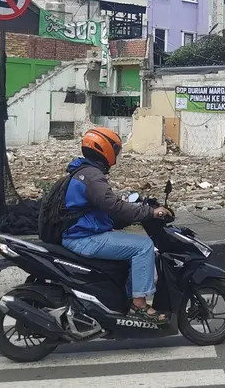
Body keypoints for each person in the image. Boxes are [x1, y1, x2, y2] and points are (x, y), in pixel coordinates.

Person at [61, 127, 171, 324]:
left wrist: (127, 206)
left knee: (130, 246)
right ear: (105, 150)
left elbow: (104, 203)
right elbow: (113, 207)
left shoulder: (83, 171)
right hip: (83, 238)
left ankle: (126, 298)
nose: (117, 156)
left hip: (79, 232)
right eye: (116, 150)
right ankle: (138, 305)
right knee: (144, 247)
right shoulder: (92, 176)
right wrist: (149, 212)